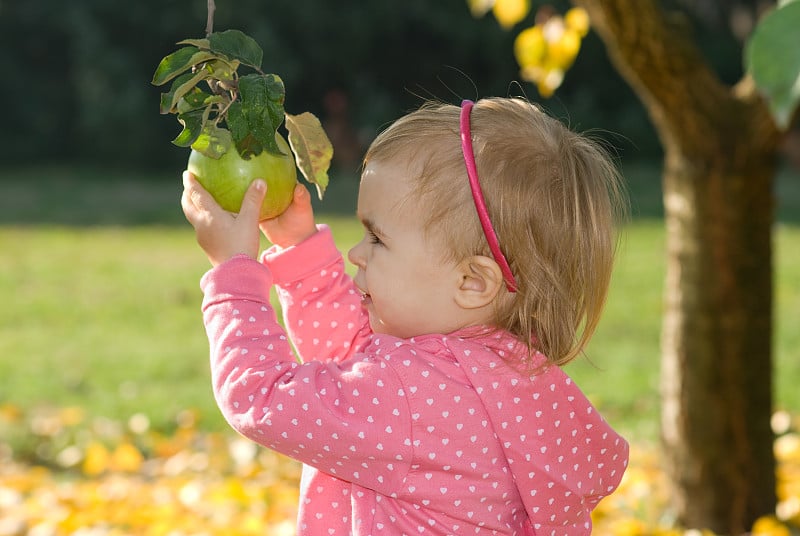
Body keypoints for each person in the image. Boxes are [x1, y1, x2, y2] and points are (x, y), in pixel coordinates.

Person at [181, 97, 630, 535]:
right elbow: (356, 359)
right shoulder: (507, 374)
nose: (356, 253)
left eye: (377, 238)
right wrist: (298, 249)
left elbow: (261, 398)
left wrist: (233, 272)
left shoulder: (408, 396)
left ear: (472, 282)